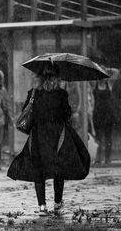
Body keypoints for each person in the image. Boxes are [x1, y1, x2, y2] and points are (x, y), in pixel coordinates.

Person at [7, 63, 90, 215]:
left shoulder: (33, 93)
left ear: (39, 77)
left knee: (39, 170)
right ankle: (57, 203)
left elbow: (27, 111)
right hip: (58, 137)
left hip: (38, 136)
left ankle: (42, 206)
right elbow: (66, 115)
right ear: (57, 77)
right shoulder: (61, 94)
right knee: (58, 170)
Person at [92, 66, 119, 164]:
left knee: (108, 136)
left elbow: (116, 71)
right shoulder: (94, 84)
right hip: (98, 113)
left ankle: (108, 157)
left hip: (108, 113)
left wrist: (106, 69)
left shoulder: (109, 83)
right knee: (98, 136)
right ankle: (98, 157)